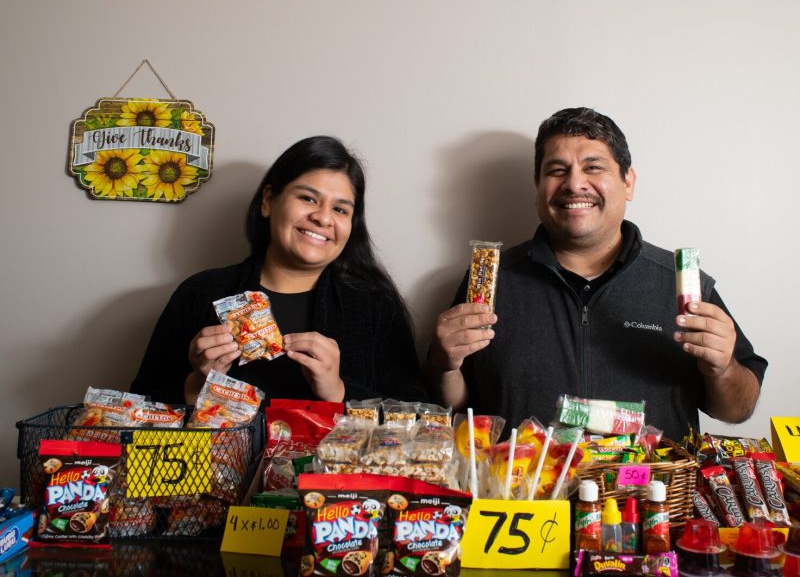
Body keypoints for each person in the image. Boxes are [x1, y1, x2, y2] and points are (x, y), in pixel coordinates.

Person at [424, 107, 766, 441]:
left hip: (652, 493)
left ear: (627, 182)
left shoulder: (681, 285)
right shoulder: (490, 282)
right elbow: (455, 407)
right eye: (557, 170)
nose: (574, 184)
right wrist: (444, 366)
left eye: (593, 167)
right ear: (537, 185)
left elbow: (737, 409)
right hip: (521, 491)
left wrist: (723, 369)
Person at [132, 135, 427, 405]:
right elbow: (136, 406)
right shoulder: (200, 293)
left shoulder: (374, 305)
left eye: (340, 209)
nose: (323, 218)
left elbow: (418, 415)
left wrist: (337, 391)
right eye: (308, 198)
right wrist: (196, 384)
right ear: (268, 200)